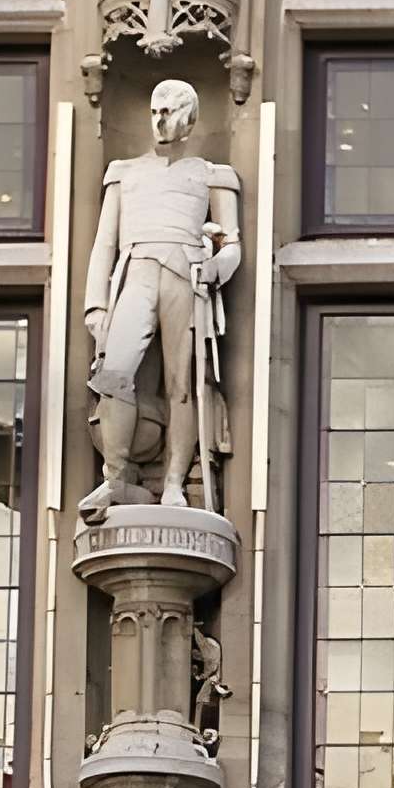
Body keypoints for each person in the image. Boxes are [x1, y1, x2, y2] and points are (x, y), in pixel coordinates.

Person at [82, 79, 242, 516]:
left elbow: (232, 246)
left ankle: (174, 481)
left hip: (185, 273)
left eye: (170, 112)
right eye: (156, 111)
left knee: (182, 384)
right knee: (114, 373)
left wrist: (214, 268)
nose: (161, 120)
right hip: (136, 270)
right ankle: (114, 478)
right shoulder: (124, 172)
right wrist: (95, 305)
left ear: (189, 121)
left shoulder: (211, 175)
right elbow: (104, 244)